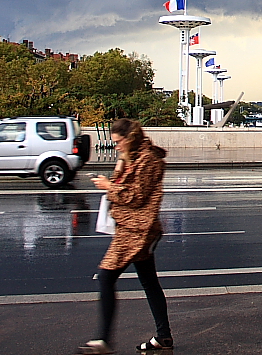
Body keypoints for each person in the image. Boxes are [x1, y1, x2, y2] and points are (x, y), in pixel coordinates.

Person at [80, 119, 173, 354]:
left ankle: (103, 340)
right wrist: (119, 169)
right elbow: (125, 187)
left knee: (105, 276)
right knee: (149, 282)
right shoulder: (131, 159)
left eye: (119, 142)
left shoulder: (149, 160)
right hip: (131, 228)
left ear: (130, 139)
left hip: (138, 231)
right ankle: (163, 337)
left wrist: (107, 186)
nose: (116, 147)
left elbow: (136, 196)